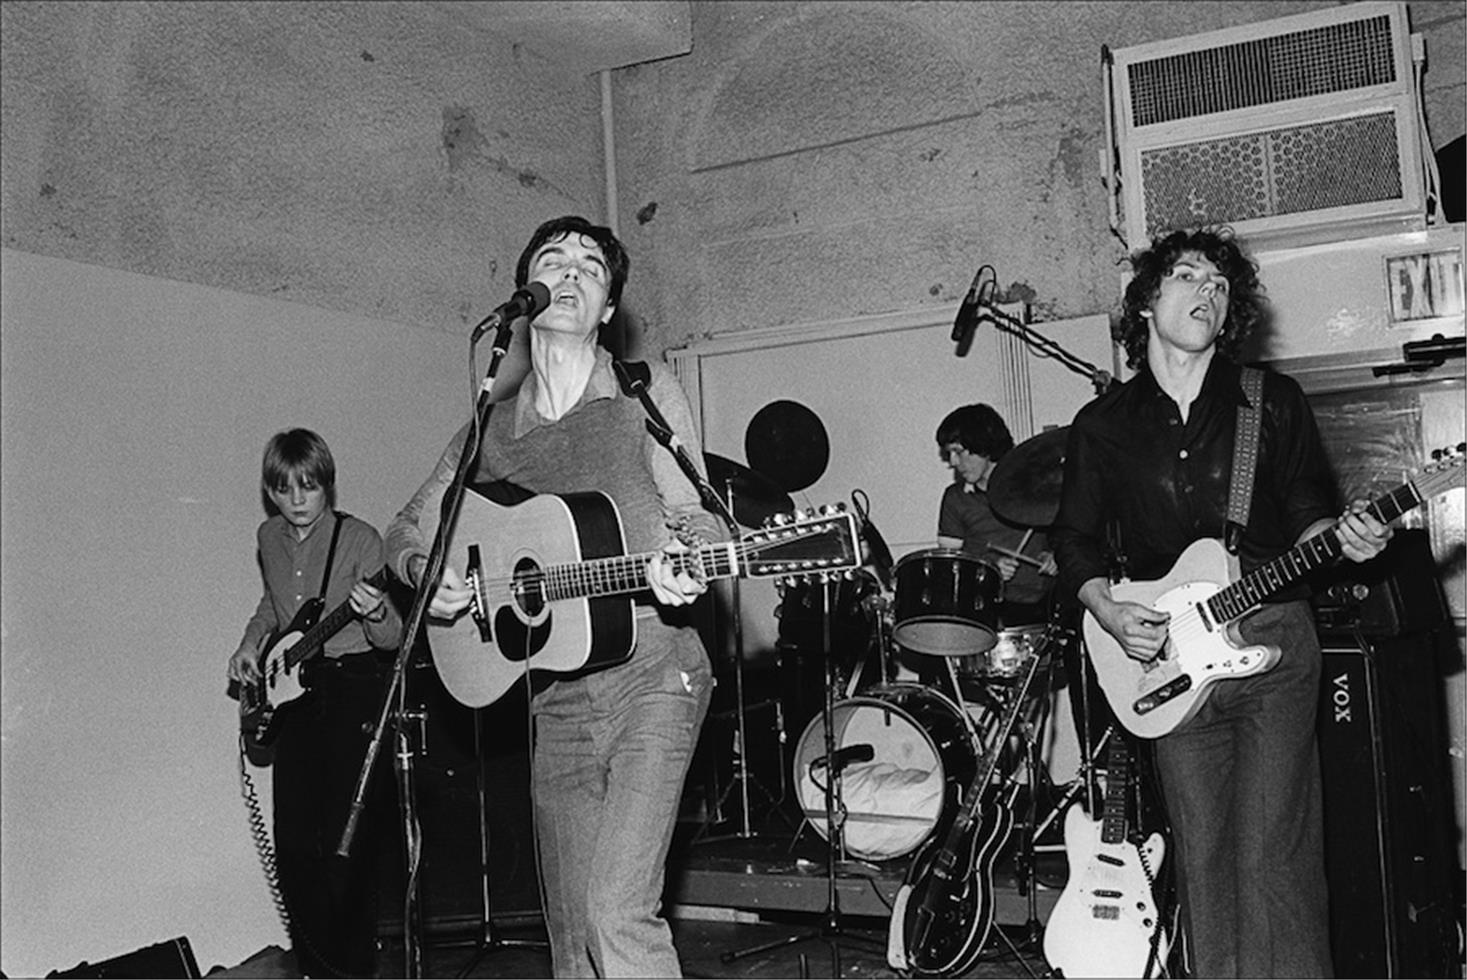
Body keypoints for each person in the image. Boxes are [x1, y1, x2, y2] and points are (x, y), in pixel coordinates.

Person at [383, 215, 723, 978]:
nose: (570, 273)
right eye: (553, 260)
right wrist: (421, 575)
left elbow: (694, 513)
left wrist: (687, 560)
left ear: (607, 308)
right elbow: (405, 528)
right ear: (525, 291)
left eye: (591, 266)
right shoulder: (492, 426)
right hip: (555, 698)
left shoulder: (642, 391)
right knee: (570, 939)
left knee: (615, 912)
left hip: (654, 674)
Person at [1050, 227, 1392, 977]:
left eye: (1219, 285)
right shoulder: (1100, 427)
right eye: (1188, 276)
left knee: (1274, 856)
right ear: (1144, 300)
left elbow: (1307, 504)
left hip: (1271, 640)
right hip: (1166, 663)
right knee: (1202, 859)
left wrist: (1342, 536)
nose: (1206, 291)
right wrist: (1107, 611)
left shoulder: (1269, 401)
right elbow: (1071, 539)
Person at [228, 428, 402, 979]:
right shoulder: (268, 538)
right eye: (284, 490)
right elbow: (274, 607)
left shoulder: (362, 540)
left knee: (344, 853)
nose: (298, 500)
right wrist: (251, 645)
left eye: (309, 487)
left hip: (351, 690)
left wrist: (374, 612)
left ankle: (356, 972)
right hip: (294, 698)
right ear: (270, 492)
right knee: (295, 849)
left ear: (326, 483)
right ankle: (318, 969)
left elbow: (392, 638)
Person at [934, 403, 1057, 627]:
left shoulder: (1036, 490)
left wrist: (1055, 555)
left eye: (958, 452)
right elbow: (950, 567)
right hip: (989, 609)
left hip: (1049, 603)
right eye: (949, 453)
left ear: (983, 447)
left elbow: (1067, 535)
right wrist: (988, 570)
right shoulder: (955, 498)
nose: (953, 462)